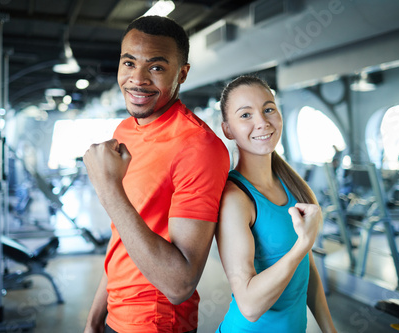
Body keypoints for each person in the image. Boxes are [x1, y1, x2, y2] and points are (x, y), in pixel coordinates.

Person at [83, 16, 230, 333]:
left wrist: (108, 190)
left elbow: (179, 285)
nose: (137, 79)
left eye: (156, 67)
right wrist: (95, 320)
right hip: (115, 316)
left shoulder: (199, 147)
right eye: (129, 63)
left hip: (157, 323)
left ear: (183, 73)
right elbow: (122, 236)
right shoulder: (125, 130)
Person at [215, 75, 337, 332]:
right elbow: (249, 306)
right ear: (228, 129)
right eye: (246, 115)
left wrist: (330, 329)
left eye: (268, 109)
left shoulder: (292, 184)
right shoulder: (235, 198)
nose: (262, 122)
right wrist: (303, 243)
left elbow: (306, 266)